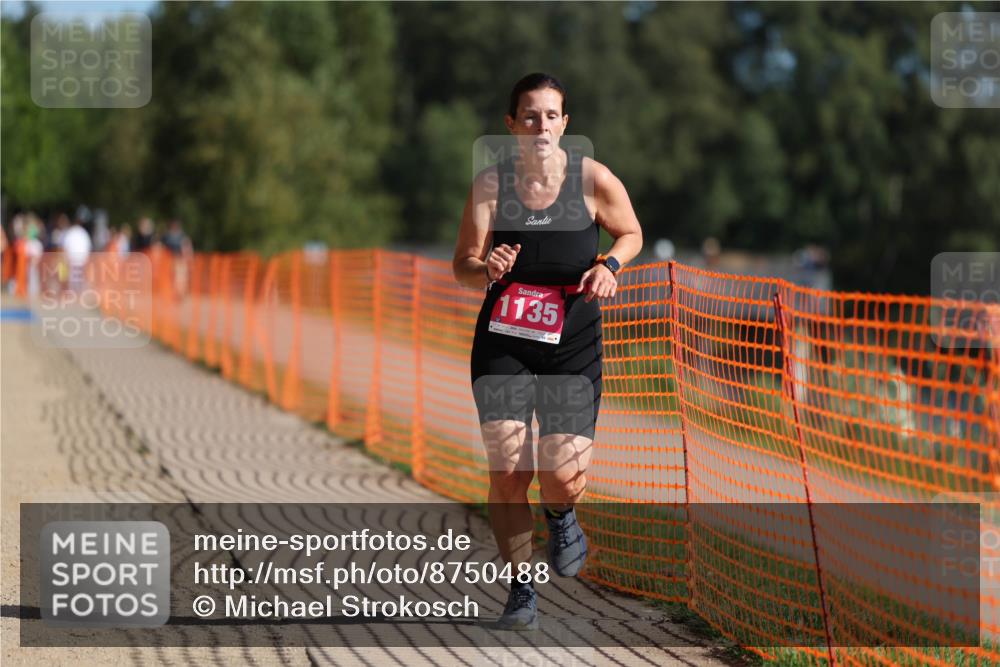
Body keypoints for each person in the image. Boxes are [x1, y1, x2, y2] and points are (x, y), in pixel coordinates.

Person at [452, 73, 643, 630]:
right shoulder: (490, 185)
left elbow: (630, 233)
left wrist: (609, 266)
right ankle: (521, 589)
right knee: (509, 470)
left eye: (551, 115)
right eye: (529, 116)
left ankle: (562, 514)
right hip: (504, 343)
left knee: (561, 472)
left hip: (572, 342)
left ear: (565, 123)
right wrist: (484, 269)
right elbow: (462, 263)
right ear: (511, 125)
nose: (540, 126)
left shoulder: (594, 180)